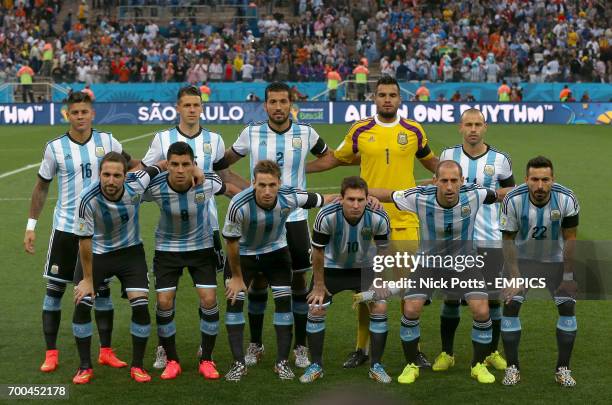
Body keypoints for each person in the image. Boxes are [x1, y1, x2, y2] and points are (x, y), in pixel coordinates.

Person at [306, 75, 438, 369]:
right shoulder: (361, 130)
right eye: (382, 95)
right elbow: (336, 159)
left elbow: (432, 163)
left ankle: (412, 350)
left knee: (409, 289)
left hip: (405, 220)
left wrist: (452, 172)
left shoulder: (414, 131)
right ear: (374, 98)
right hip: (366, 221)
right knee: (366, 288)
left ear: (399, 99)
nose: (388, 99)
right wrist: (298, 170)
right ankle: (361, 348)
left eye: (392, 94)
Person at [224, 82, 332, 370]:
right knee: (258, 281)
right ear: (266, 105)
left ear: (290, 103)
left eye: (283, 101)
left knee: (297, 283)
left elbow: (329, 157)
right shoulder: (252, 132)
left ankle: (299, 347)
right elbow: (223, 162)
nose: (278, 107)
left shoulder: (306, 133)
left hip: (294, 219)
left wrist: (302, 169)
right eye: (273, 102)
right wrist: (242, 187)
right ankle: (256, 344)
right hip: (259, 219)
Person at [140, 85, 246, 369]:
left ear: (201, 107)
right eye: (186, 105)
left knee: (208, 293)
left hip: (207, 227)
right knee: (166, 296)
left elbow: (225, 177)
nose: (191, 109)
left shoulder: (214, 139)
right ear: (178, 107)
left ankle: (205, 345)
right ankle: (164, 349)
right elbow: (144, 174)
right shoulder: (162, 138)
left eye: (195, 105)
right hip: (171, 227)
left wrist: (252, 193)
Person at [368, 160, 500, 384]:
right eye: (444, 181)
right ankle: (411, 365)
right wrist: (362, 193)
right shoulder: (419, 197)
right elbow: (389, 194)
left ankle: (477, 365)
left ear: (462, 181)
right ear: (435, 181)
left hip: (465, 263)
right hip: (428, 264)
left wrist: (528, 190)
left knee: (481, 310)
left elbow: (501, 194)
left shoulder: (476, 194)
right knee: (411, 308)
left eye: (454, 181)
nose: (449, 187)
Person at [24, 91, 126, 374]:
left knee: (102, 292)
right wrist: (31, 226)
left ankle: (106, 351)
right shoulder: (54, 147)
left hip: (100, 231)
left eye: (85, 112)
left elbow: (130, 168)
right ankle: (51, 353)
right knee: (54, 291)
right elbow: (42, 187)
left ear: (93, 113)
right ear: (67, 115)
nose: (80, 116)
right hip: (66, 229)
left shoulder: (108, 141)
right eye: (75, 112)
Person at [221, 160, 334, 381]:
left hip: (276, 253)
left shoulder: (289, 196)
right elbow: (232, 243)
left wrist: (362, 200)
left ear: (279, 183)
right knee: (234, 301)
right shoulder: (238, 204)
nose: (267, 191)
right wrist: (236, 277)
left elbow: (324, 199)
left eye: (272, 185)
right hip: (243, 254)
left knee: (284, 303)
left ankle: (281, 362)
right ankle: (238, 363)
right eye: (262, 185)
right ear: (253, 183)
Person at [72, 152, 165, 384]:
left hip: (130, 253)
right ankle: (85, 366)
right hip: (96, 254)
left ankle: (137, 366)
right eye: (106, 175)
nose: (110, 181)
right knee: (83, 303)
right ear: (99, 174)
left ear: (126, 176)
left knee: (141, 305)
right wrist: (87, 279)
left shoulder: (138, 182)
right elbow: (84, 240)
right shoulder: (87, 199)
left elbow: (162, 165)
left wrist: (194, 170)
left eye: (116, 175)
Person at [436, 108, 516, 373]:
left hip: (490, 237)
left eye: (477, 124)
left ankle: (491, 351)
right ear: (460, 127)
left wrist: (484, 194)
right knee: (451, 297)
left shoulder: (500, 159)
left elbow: (511, 193)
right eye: (468, 124)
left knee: (492, 299)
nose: (473, 129)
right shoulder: (448, 156)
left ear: (485, 127)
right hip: (455, 239)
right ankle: (447, 353)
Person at [143, 142, 227, 380]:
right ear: (167, 165)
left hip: (201, 248)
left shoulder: (208, 181)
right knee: (164, 302)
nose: (180, 170)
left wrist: (201, 171)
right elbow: (130, 190)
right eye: (175, 164)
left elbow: (224, 185)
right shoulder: (155, 187)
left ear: (194, 165)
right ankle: (172, 360)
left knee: (209, 299)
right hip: (167, 250)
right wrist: (155, 168)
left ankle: (207, 358)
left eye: (186, 164)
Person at [300, 176, 392, 384]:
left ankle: (376, 366)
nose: (356, 205)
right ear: (341, 198)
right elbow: (318, 251)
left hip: (365, 268)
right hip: (332, 268)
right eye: (350, 199)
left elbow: (384, 250)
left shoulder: (378, 216)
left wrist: (379, 281)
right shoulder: (326, 215)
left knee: (379, 306)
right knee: (316, 307)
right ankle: (316, 365)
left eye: (360, 199)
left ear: (368, 198)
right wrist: (319, 285)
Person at [499, 156, 580, 387]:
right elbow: (508, 240)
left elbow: (571, 239)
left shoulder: (566, 198)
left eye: (545, 179)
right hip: (521, 259)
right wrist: (514, 277)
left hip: (555, 261)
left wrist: (567, 277)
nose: (540, 186)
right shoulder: (513, 199)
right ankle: (512, 368)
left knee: (567, 306)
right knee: (511, 304)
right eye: (534, 179)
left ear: (553, 180)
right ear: (526, 180)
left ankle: (563, 369)